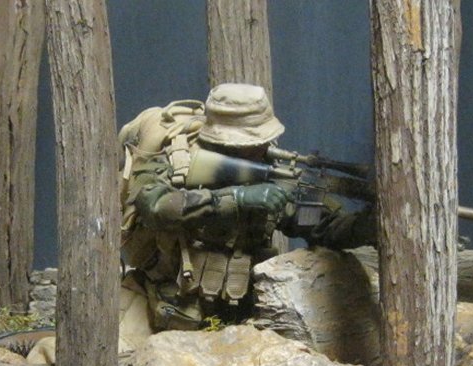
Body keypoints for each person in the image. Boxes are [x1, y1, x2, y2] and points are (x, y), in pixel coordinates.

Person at [119, 83, 374, 333]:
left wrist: (369, 227)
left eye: (262, 143)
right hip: (171, 307)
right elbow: (155, 206)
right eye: (251, 145)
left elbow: (320, 225)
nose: (260, 149)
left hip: (243, 314)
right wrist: (237, 198)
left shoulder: (271, 174)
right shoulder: (178, 158)